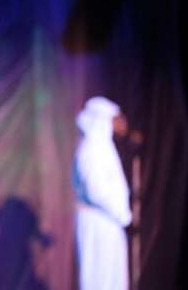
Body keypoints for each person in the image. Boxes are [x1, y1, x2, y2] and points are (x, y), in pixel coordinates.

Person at [73, 97, 132, 290]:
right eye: (115, 118)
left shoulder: (103, 146)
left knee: (112, 280)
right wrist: (122, 213)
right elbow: (96, 190)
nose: (120, 123)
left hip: (109, 223)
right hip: (97, 223)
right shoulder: (91, 148)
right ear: (102, 120)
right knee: (99, 281)